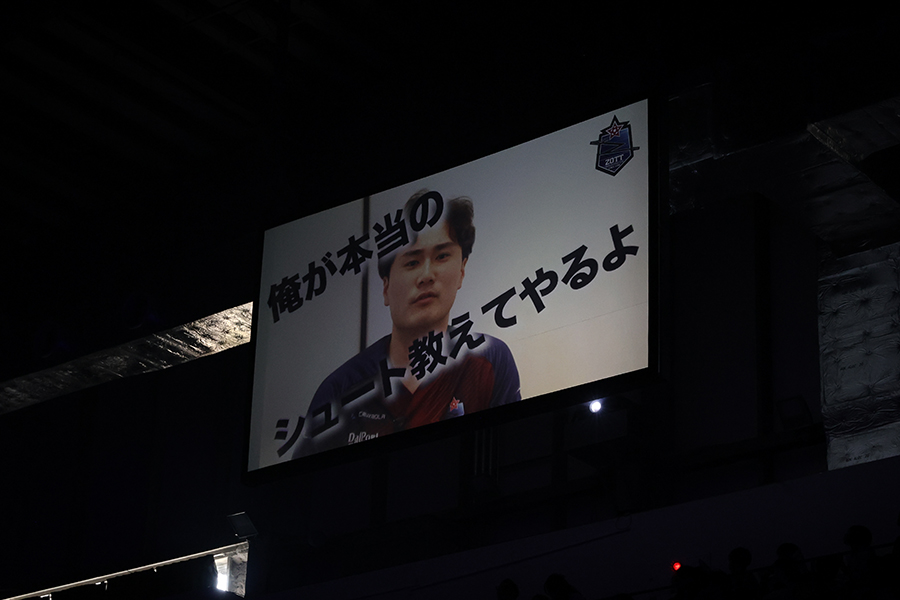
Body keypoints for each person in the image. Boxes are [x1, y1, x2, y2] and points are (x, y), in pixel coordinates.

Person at [293, 190, 521, 457]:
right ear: (386, 287)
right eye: (412, 262)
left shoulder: (490, 360)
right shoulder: (341, 388)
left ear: (462, 269)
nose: (427, 275)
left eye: (442, 256)